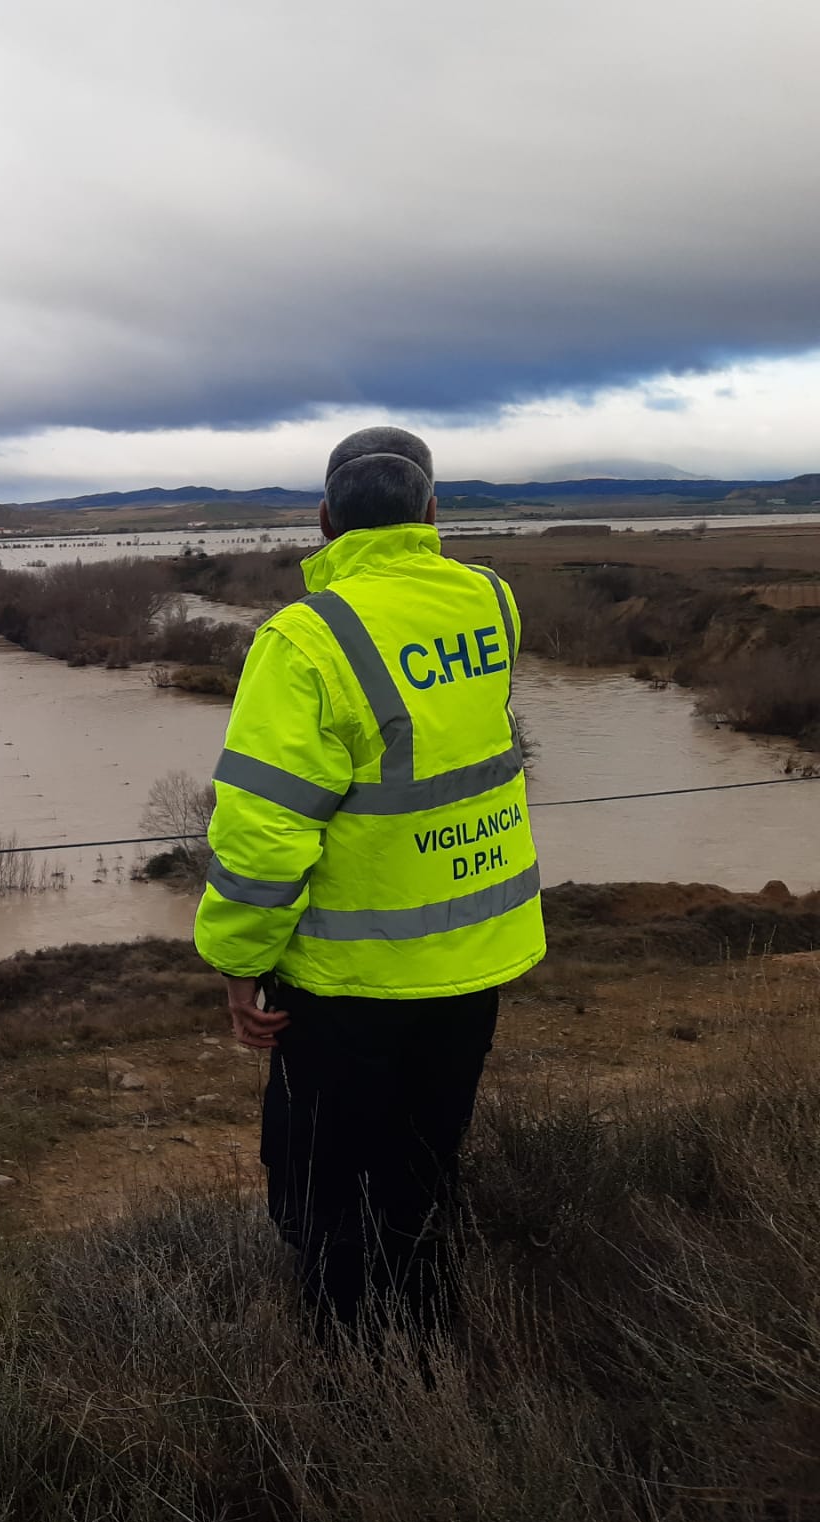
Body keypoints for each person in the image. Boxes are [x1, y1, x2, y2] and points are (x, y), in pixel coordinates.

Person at [193, 426, 544, 1337]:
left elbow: (265, 830)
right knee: (425, 1170)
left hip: (353, 982)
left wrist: (238, 962)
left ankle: (357, 1394)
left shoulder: (306, 639)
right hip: (476, 957)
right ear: (432, 514)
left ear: (323, 522)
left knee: (323, 1194)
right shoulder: (491, 603)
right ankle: (430, 1349)